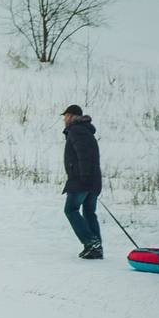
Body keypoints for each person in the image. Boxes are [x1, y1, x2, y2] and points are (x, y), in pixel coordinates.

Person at [61, 104, 103, 259]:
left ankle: (92, 243)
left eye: (65, 116)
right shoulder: (85, 131)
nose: (64, 119)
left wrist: (83, 178)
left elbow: (83, 155)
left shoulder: (76, 130)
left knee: (71, 210)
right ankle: (96, 247)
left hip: (81, 180)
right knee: (89, 212)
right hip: (93, 180)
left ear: (71, 116)